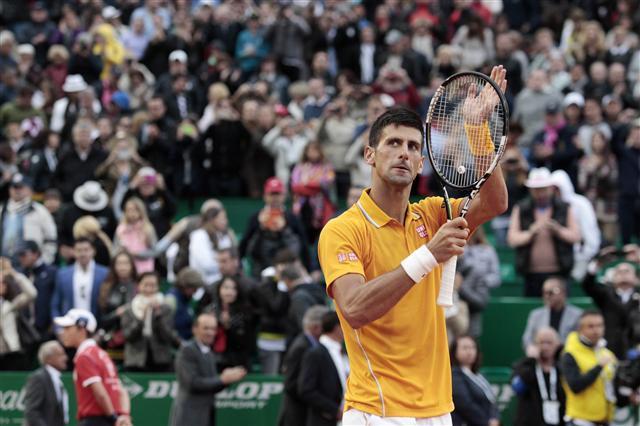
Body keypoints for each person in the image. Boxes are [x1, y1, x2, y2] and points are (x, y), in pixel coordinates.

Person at [317, 66, 508, 424]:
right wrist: (428, 256)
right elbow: (355, 309)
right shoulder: (342, 230)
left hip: (438, 410)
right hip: (378, 410)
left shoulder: (432, 214)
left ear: (422, 163)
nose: (403, 153)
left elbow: (495, 202)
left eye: (412, 147)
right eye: (393, 143)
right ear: (369, 155)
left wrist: (478, 128)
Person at [507, 167, 581, 297]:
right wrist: (531, 233)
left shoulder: (564, 207)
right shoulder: (522, 208)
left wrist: (557, 230)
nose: (540, 194)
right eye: (536, 190)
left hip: (560, 271)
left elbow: (575, 236)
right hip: (530, 274)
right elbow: (512, 239)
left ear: (551, 189)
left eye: (543, 189)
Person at [54, 308, 131, 426]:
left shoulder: (84, 356)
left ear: (82, 329)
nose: (63, 332)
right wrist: (124, 417)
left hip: (96, 421)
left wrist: (114, 418)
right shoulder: (103, 355)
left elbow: (100, 393)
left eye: (68, 328)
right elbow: (122, 391)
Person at [169, 312, 247, 426]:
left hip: (205, 415)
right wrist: (222, 379)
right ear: (194, 329)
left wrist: (227, 379)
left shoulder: (209, 352)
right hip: (189, 416)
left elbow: (211, 385)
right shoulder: (187, 350)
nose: (210, 332)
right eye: (206, 328)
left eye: (213, 329)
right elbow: (193, 383)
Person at [560, 310, 617, 426]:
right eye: (590, 326)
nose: (596, 330)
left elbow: (610, 387)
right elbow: (575, 386)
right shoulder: (570, 354)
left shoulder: (607, 354)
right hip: (580, 420)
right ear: (580, 329)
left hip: (605, 419)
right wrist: (599, 367)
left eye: (599, 325)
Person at [279, 305, 330, 426]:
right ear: (316, 327)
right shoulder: (301, 346)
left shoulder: (310, 344)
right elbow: (290, 384)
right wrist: (312, 396)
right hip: (297, 414)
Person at [583, 256, 640, 358]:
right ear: (613, 278)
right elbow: (588, 285)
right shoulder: (605, 295)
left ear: (636, 278)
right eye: (619, 272)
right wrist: (597, 264)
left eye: (627, 271)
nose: (623, 274)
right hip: (610, 349)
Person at [297, 310, 347, 426]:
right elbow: (306, 390)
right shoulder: (315, 353)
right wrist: (334, 410)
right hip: (322, 420)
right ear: (337, 327)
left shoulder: (342, 352)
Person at [122, 272, 178, 371]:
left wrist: (158, 315)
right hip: (135, 360)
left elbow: (168, 336)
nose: (149, 289)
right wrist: (141, 319)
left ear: (158, 287)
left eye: (153, 286)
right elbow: (128, 336)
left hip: (161, 360)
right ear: (138, 286)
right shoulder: (129, 309)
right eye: (145, 285)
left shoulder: (166, 309)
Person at [511, 327, 566, 426]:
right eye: (541, 342)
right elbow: (518, 389)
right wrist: (531, 360)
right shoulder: (524, 366)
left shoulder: (562, 368)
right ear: (534, 345)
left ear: (558, 344)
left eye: (549, 343)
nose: (545, 347)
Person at [0, 172, 57, 265]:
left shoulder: (39, 211)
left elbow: (51, 239)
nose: (17, 190)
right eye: (14, 187)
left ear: (30, 190)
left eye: (21, 187)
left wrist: (44, 261)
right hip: (4, 263)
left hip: (30, 263)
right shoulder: (2, 209)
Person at [51, 238, 109, 321]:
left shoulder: (105, 273)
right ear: (73, 252)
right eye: (79, 250)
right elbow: (55, 304)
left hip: (97, 325)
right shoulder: (63, 274)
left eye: (86, 250)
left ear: (93, 251)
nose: (83, 254)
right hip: (70, 326)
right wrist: (59, 329)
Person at [522, 277, 583, 354]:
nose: (547, 296)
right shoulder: (536, 315)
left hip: (567, 356)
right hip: (541, 356)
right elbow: (527, 339)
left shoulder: (577, 315)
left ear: (563, 293)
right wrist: (530, 348)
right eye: (544, 292)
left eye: (551, 292)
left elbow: (579, 341)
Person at [450, 335, 501, 426]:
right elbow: (465, 405)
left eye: (473, 347)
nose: (469, 351)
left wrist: (495, 418)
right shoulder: (454, 375)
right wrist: (487, 422)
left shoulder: (480, 375)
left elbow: (492, 400)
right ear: (455, 352)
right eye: (465, 348)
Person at [0, 258, 38, 370]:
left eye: (3, 282)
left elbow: (32, 293)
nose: (1, 285)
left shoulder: (11, 304)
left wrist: (13, 272)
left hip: (12, 352)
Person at [23, 340, 69, 426]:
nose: (65, 358)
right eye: (61, 354)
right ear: (49, 358)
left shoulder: (57, 379)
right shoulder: (38, 378)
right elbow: (31, 411)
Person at [17, 240, 57, 338]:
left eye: (23, 254)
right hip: (26, 330)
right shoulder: (21, 274)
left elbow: (57, 300)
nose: (20, 258)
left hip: (46, 329)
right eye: (19, 255)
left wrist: (53, 325)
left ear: (36, 254)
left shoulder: (51, 272)